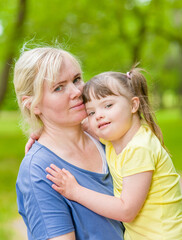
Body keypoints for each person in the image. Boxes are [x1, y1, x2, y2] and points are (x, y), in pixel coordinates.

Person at [46, 68, 182, 240]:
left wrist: (75, 191)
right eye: (91, 112)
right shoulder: (115, 137)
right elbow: (72, 125)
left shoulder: (139, 148)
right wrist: (42, 134)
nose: (99, 116)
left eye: (108, 105)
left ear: (133, 105)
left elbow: (126, 211)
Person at [14, 46, 125, 240]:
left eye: (76, 79)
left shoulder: (106, 136)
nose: (76, 92)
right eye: (59, 87)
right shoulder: (40, 170)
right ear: (32, 104)